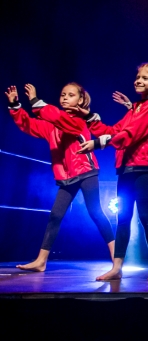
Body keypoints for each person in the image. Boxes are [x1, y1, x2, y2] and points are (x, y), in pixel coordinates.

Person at [5, 83, 114, 272]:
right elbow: (29, 125)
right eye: (63, 94)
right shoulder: (53, 126)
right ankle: (41, 261)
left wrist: (35, 100)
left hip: (86, 171)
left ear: (80, 99)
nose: (65, 98)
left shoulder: (79, 120)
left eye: (70, 95)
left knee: (96, 213)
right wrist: (15, 106)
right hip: (67, 176)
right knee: (55, 215)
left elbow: (57, 117)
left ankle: (116, 258)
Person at [80, 62, 148, 281]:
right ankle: (117, 267)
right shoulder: (136, 108)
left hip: (143, 167)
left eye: (145, 78)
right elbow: (115, 131)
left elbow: (130, 134)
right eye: (138, 77)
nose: (139, 80)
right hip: (126, 167)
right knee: (123, 218)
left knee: (145, 215)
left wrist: (98, 143)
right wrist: (90, 118)